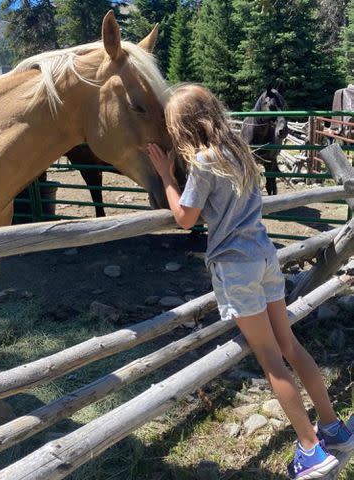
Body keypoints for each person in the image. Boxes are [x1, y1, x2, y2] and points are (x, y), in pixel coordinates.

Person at [147, 84, 354, 479]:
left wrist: (166, 177)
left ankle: (310, 450)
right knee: (290, 344)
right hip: (264, 256)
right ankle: (333, 428)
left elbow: (185, 218)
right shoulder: (241, 151)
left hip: (235, 267)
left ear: (185, 128)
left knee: (271, 361)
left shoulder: (205, 162)